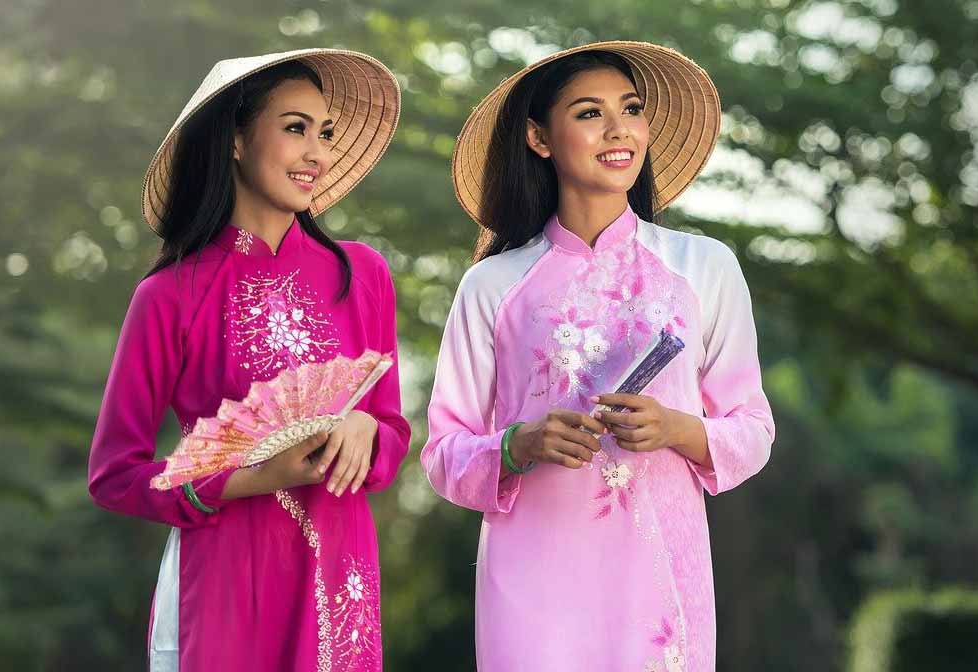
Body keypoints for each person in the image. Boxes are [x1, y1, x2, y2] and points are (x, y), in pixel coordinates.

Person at [422, 42, 776, 671]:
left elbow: (752, 430)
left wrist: (676, 428)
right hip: (531, 582)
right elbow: (443, 453)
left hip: (661, 577)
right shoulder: (493, 285)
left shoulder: (704, 267)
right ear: (539, 138)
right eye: (589, 113)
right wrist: (517, 445)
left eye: (631, 109)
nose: (619, 130)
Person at [88, 49, 408, 672]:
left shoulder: (361, 275)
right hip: (225, 575)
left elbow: (393, 433)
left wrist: (367, 428)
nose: (316, 152)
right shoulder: (170, 294)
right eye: (295, 128)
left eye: (326, 134)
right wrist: (253, 477)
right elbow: (113, 474)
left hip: (338, 574)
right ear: (235, 139)